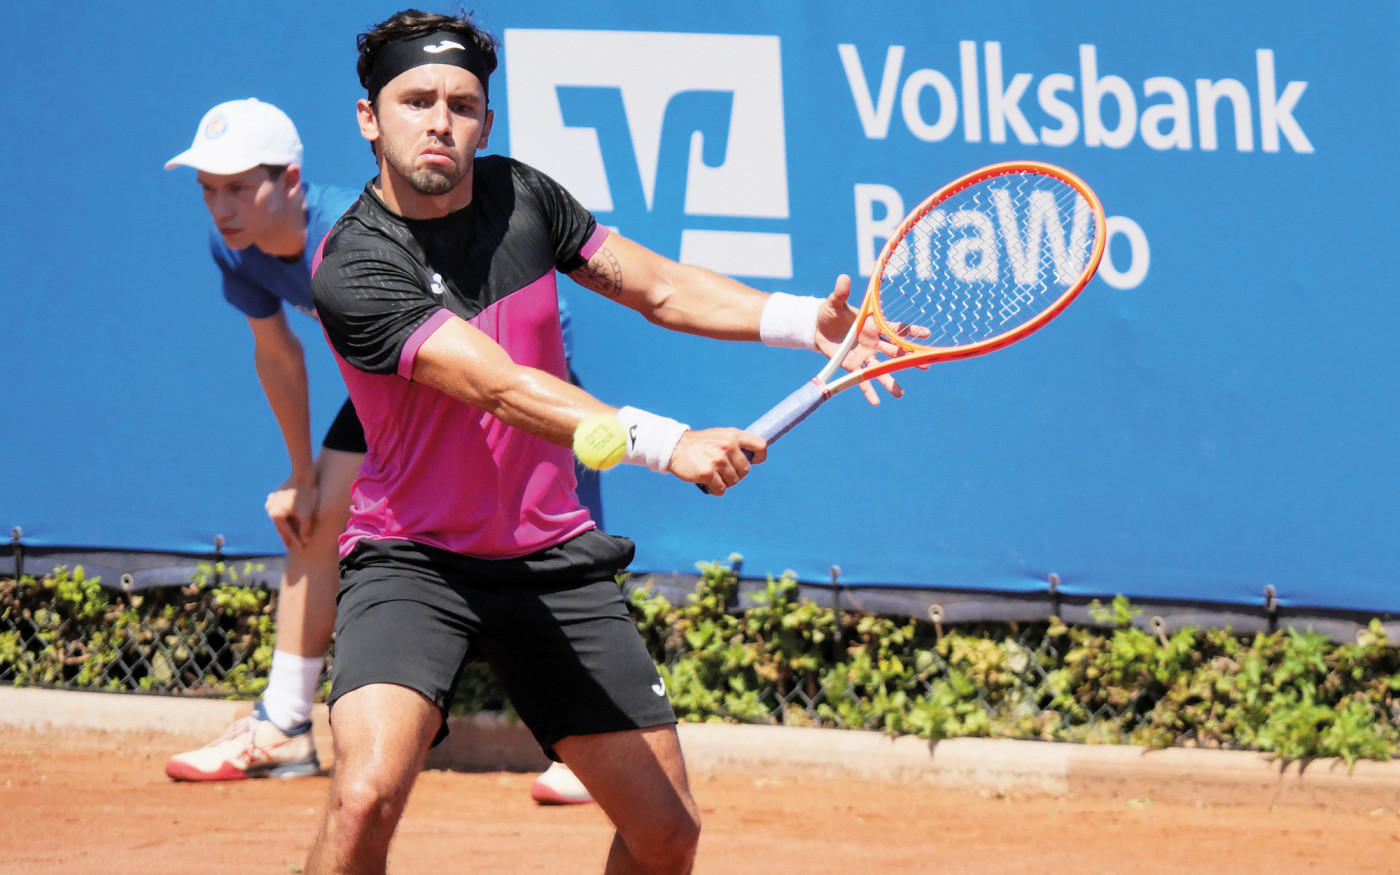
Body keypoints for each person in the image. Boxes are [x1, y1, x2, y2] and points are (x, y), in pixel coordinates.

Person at [302, 10, 906, 874]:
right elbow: (500, 386)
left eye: (463, 104)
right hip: (412, 560)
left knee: (668, 834)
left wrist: (804, 320)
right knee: (363, 797)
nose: (440, 121)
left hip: (549, 558)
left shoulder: (525, 199)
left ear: (487, 121)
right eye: (416, 99)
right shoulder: (354, 265)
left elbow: (657, 285)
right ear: (370, 117)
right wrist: (668, 443)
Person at [160, 97, 590, 803]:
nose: (222, 206)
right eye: (209, 188)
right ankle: (284, 724)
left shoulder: (350, 234)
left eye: (240, 185)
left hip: (509, 352)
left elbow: (480, 339)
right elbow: (278, 353)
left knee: (550, 543)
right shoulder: (236, 249)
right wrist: (302, 473)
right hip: (401, 371)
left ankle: (586, 735)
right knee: (315, 512)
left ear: (291, 182)